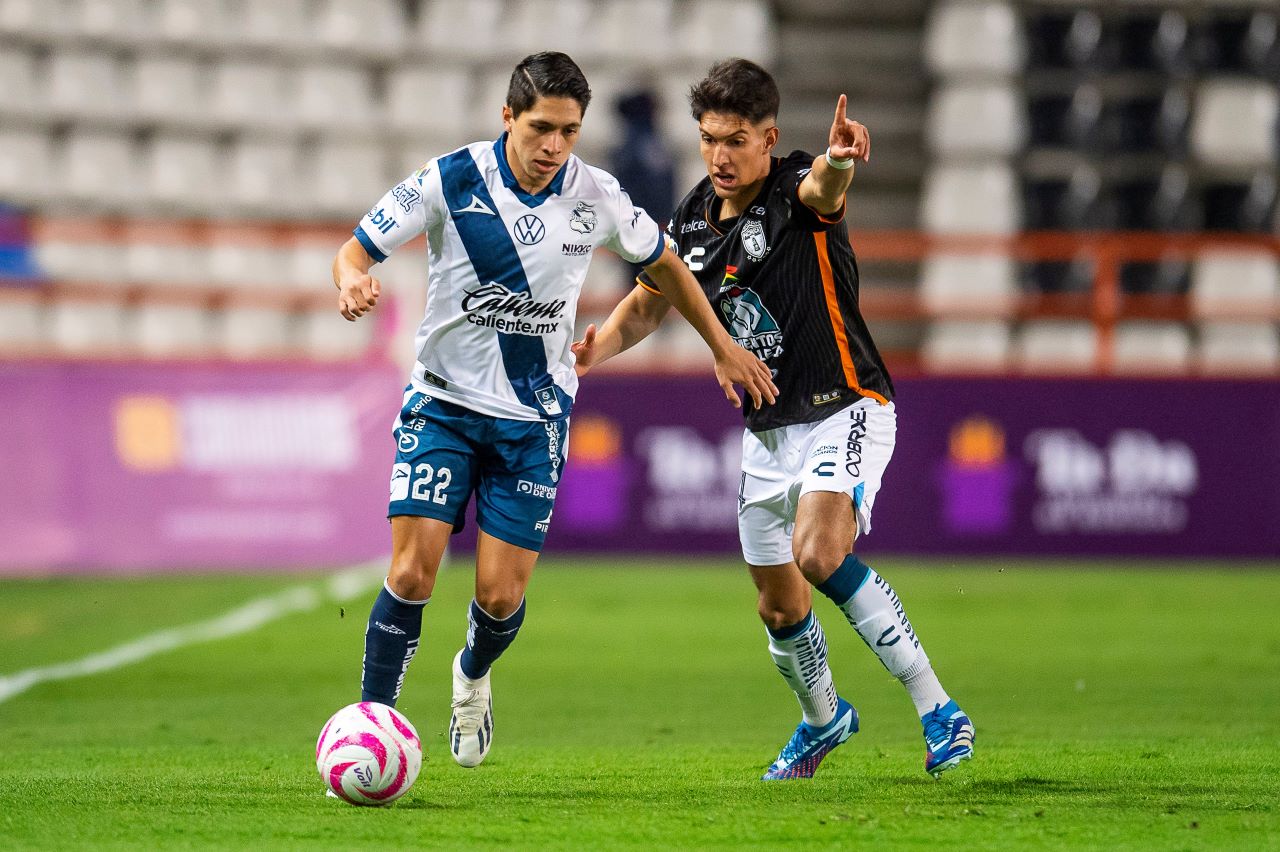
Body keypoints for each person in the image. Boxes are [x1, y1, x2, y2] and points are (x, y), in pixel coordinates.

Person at [331, 52, 776, 770]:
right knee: (412, 573)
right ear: (508, 117)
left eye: (569, 132)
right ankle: (371, 726)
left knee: (500, 598)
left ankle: (472, 675)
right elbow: (355, 251)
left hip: (533, 420)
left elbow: (666, 265)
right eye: (541, 128)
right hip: (442, 404)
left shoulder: (595, 196)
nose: (554, 147)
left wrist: (721, 345)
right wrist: (353, 282)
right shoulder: (450, 180)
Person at [572, 59, 974, 780]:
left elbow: (826, 185)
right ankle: (824, 720)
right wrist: (591, 350)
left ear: (768, 138)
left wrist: (841, 161)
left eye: (734, 140)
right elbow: (648, 304)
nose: (720, 156)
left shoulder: (794, 189)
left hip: (844, 406)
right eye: (707, 139)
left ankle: (939, 709)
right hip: (767, 434)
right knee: (777, 604)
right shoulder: (691, 218)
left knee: (819, 555)